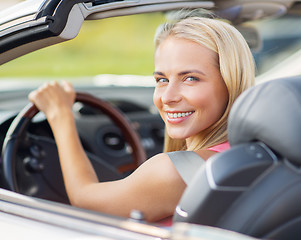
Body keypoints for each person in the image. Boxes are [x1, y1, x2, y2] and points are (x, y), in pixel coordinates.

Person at [28, 10, 255, 223]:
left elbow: (85, 199)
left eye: (190, 78)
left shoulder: (174, 172)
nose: (168, 97)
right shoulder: (252, 154)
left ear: (230, 83)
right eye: (162, 80)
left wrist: (60, 115)